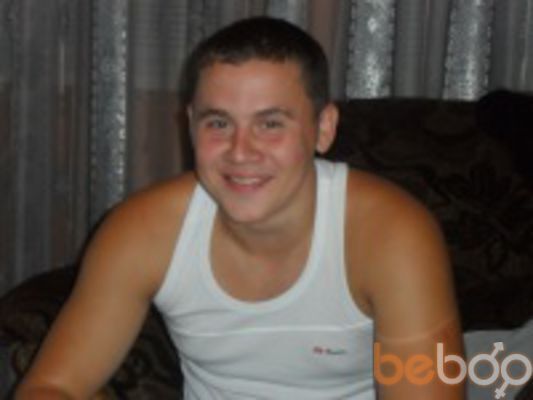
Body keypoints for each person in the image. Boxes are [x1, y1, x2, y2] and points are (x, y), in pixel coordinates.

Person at [15, 17, 464, 399]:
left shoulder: (391, 236)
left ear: (323, 128)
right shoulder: (144, 231)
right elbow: (53, 386)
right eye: (218, 123)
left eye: (270, 124)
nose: (241, 151)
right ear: (190, 125)